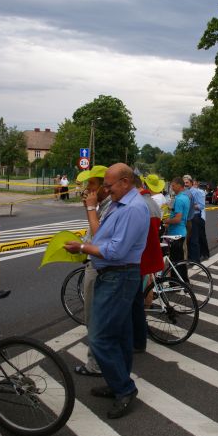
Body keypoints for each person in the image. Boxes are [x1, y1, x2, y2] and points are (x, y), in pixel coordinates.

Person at [64, 163, 149, 419]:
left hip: (119, 276)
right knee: (121, 334)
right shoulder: (120, 203)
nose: (106, 189)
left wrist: (81, 248)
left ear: (125, 181)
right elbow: (102, 237)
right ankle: (117, 384)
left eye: (109, 185)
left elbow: (115, 251)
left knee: (100, 337)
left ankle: (124, 388)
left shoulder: (133, 208)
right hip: (114, 275)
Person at [70, 166, 111, 377]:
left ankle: (95, 364)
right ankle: (99, 361)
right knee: (95, 317)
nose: (88, 188)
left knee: (94, 318)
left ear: (104, 186)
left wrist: (90, 208)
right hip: (94, 265)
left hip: (98, 267)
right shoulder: (103, 205)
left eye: (92, 184)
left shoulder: (107, 207)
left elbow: (100, 238)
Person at [132, 176, 164, 353]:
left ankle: (138, 340)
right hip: (151, 254)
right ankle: (139, 337)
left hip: (140, 257)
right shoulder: (152, 203)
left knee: (134, 301)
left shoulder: (138, 204)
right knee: (139, 299)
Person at [164, 177, 190, 280]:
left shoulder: (179, 199)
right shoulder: (185, 197)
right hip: (181, 232)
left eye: (173, 185)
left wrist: (166, 221)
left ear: (179, 185)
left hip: (176, 233)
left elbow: (178, 219)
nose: (172, 187)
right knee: (180, 260)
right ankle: (182, 281)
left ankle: (176, 282)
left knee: (175, 261)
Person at [183, 176, 205, 262]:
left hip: (195, 217)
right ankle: (189, 258)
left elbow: (201, 206)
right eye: (184, 183)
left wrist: (190, 206)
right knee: (187, 239)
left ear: (191, 183)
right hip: (186, 217)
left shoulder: (196, 192)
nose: (185, 184)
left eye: (187, 182)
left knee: (194, 240)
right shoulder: (184, 192)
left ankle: (196, 261)